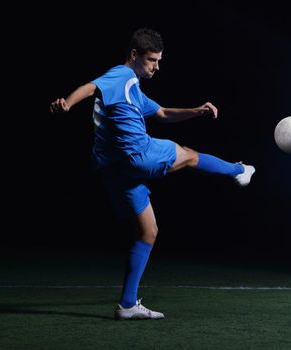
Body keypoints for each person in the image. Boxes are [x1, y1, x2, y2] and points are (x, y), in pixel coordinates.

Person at [49, 27, 255, 320]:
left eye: (159, 61)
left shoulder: (131, 89)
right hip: (137, 154)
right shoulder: (121, 75)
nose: (156, 66)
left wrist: (197, 111)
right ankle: (239, 170)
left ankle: (128, 305)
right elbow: (91, 86)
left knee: (148, 231)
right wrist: (67, 104)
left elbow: (162, 114)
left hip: (116, 170)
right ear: (134, 55)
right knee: (189, 155)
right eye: (151, 60)